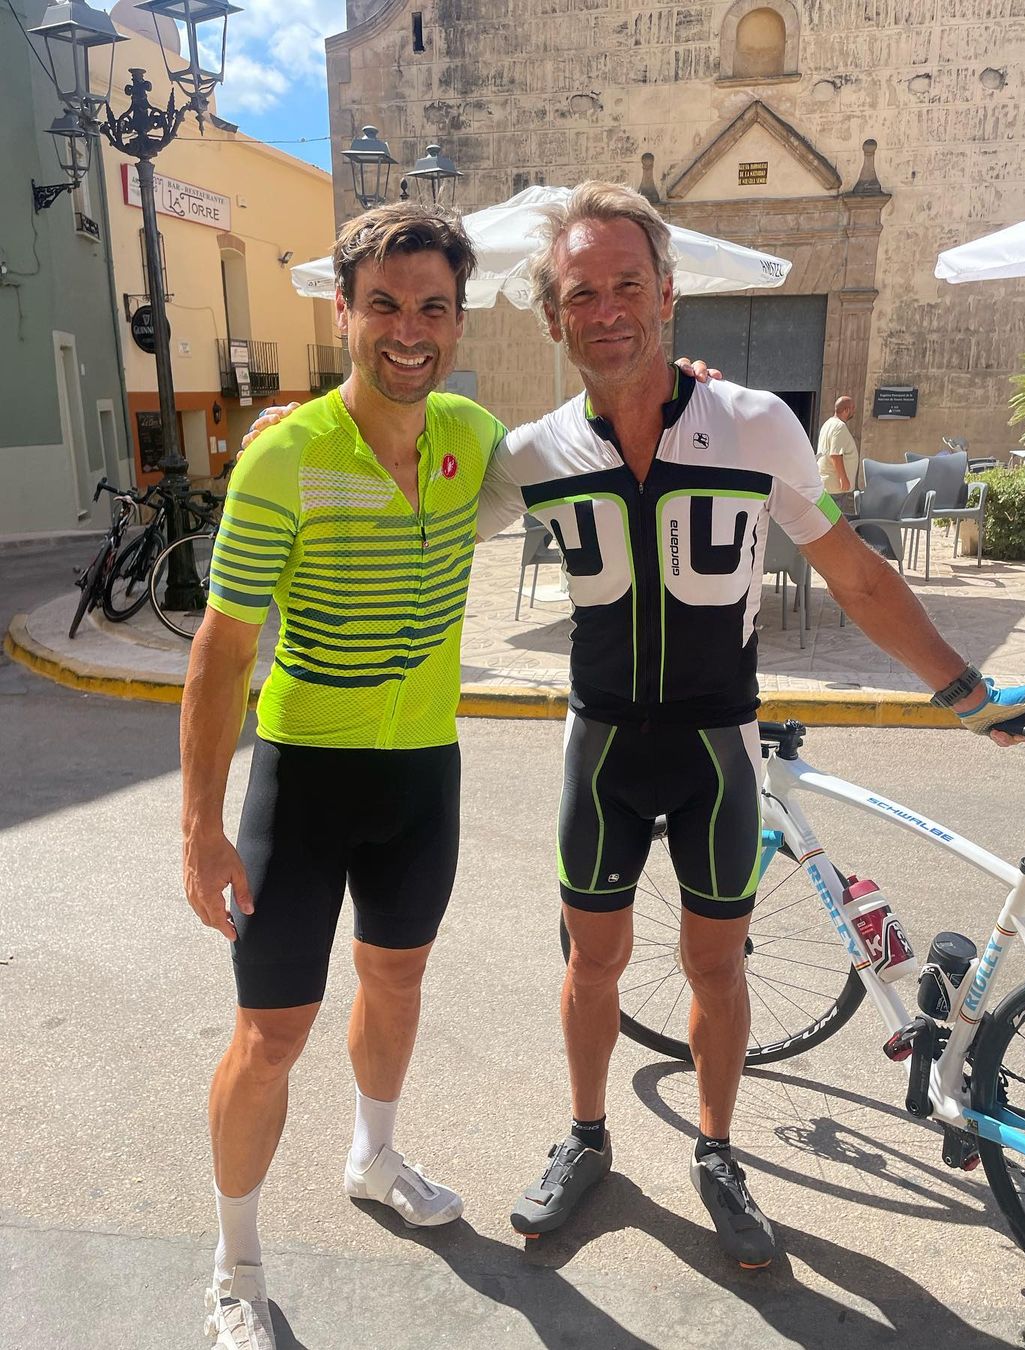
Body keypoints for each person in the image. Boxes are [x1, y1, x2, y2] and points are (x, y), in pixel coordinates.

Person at [243, 183, 1025, 1279]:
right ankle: (587, 1137)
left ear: (668, 295)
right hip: (602, 751)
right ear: (553, 317)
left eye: (628, 285)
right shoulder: (529, 451)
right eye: (581, 293)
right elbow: (405, 477)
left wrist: (963, 691)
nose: (607, 309)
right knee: (593, 964)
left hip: (717, 750)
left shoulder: (756, 425)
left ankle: (718, 1152)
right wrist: (299, 426)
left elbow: (854, 574)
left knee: (716, 966)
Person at [182, 202, 507, 1350]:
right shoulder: (287, 454)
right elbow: (221, 650)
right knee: (270, 1036)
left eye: (432, 308)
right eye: (384, 305)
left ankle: (374, 1157)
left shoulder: (473, 435)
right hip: (305, 783)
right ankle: (236, 1267)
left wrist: (678, 390)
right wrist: (200, 828)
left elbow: (591, 448)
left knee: (397, 981)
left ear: (458, 320)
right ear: (345, 312)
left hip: (423, 778)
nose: (408, 330)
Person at [816, 394, 860, 496]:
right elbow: (835, 455)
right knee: (837, 507)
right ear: (846, 410)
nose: (854, 411)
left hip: (828, 484)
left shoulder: (828, 423)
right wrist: (843, 478)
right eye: (853, 408)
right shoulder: (839, 427)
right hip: (836, 487)